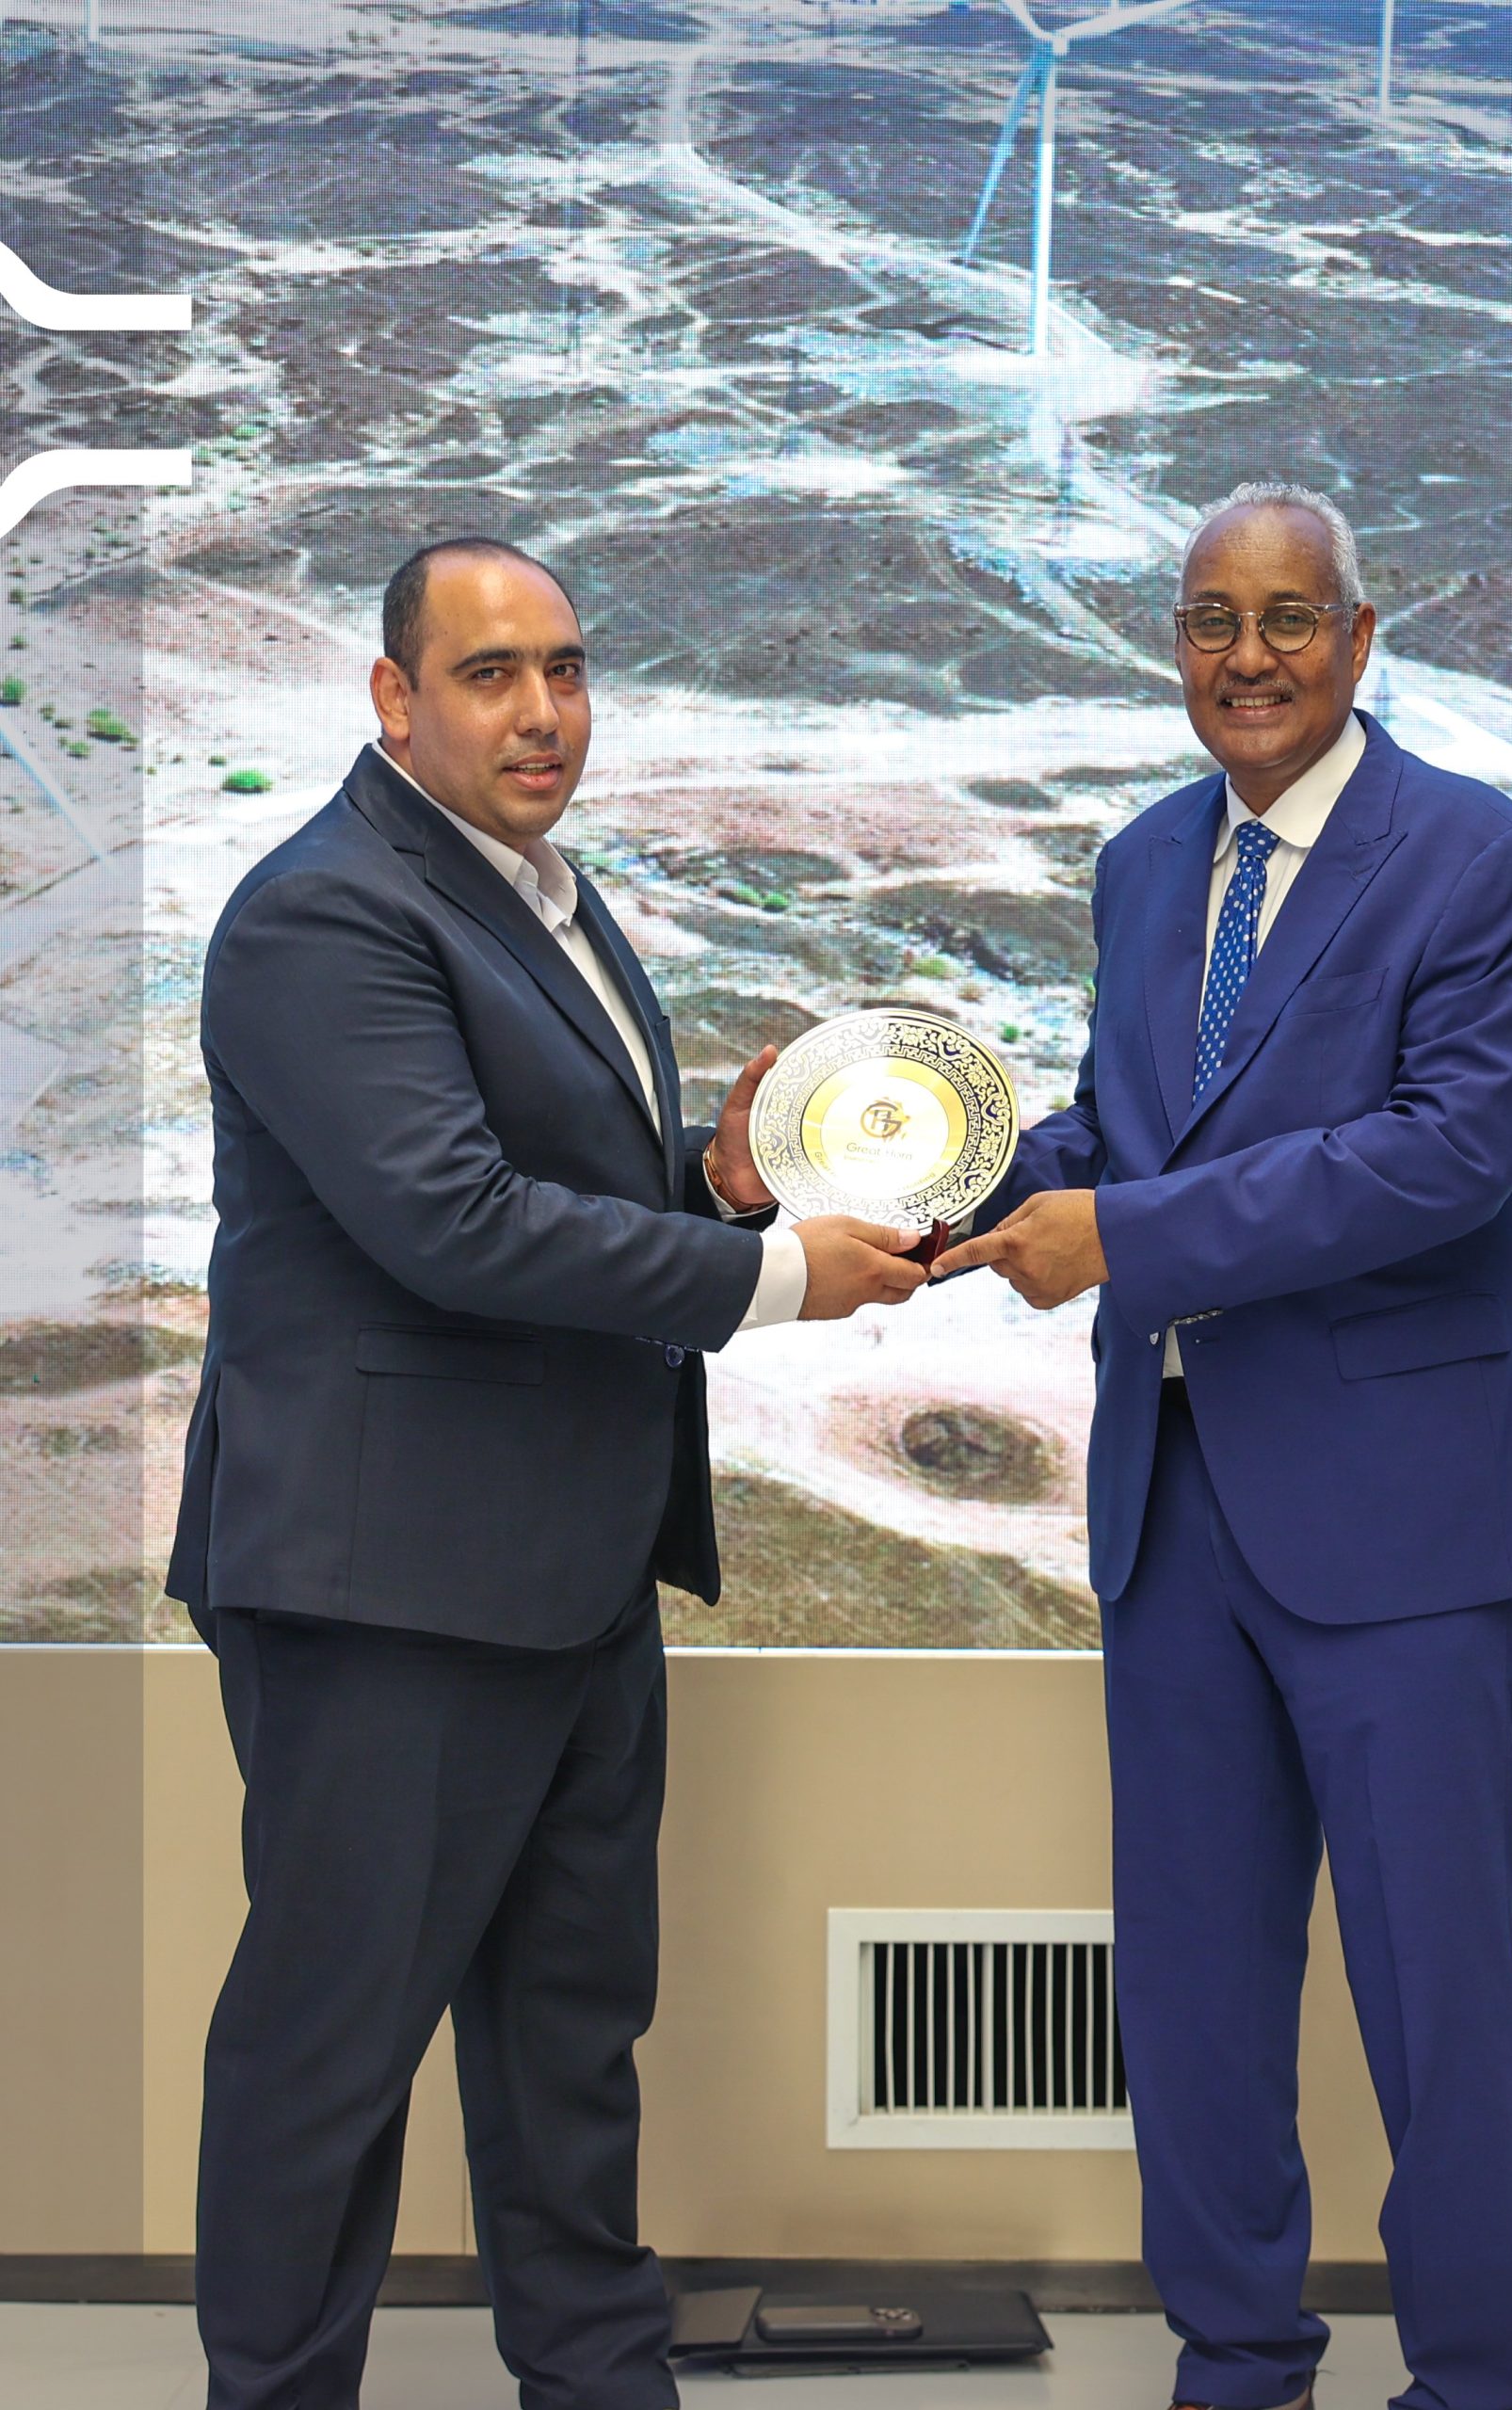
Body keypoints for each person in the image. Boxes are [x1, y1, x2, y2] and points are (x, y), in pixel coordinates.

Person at [166, 538, 925, 2410]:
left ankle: (597, 2381)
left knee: (570, 2048)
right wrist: (771, 1275)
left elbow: (550, 1181)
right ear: (393, 697)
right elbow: (450, 1220)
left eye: (566, 670)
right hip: (388, 1595)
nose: (542, 712)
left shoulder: (539, 895)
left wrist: (713, 1188)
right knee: (329, 2060)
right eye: (491, 672)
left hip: (571, 1583)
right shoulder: (323, 912)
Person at [935, 483, 1512, 2410]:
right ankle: (1234, 2359)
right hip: (1174, 1502)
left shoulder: (1480, 859)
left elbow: (1441, 1159)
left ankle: (1467, 2375)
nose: (1247, 656)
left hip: (1404, 1518)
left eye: (1288, 617)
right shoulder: (1148, 862)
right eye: (1210, 619)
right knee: (1195, 1980)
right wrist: (938, 1168)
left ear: (1359, 638)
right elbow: (1117, 1127)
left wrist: (1123, 1236)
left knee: (1433, 1991)